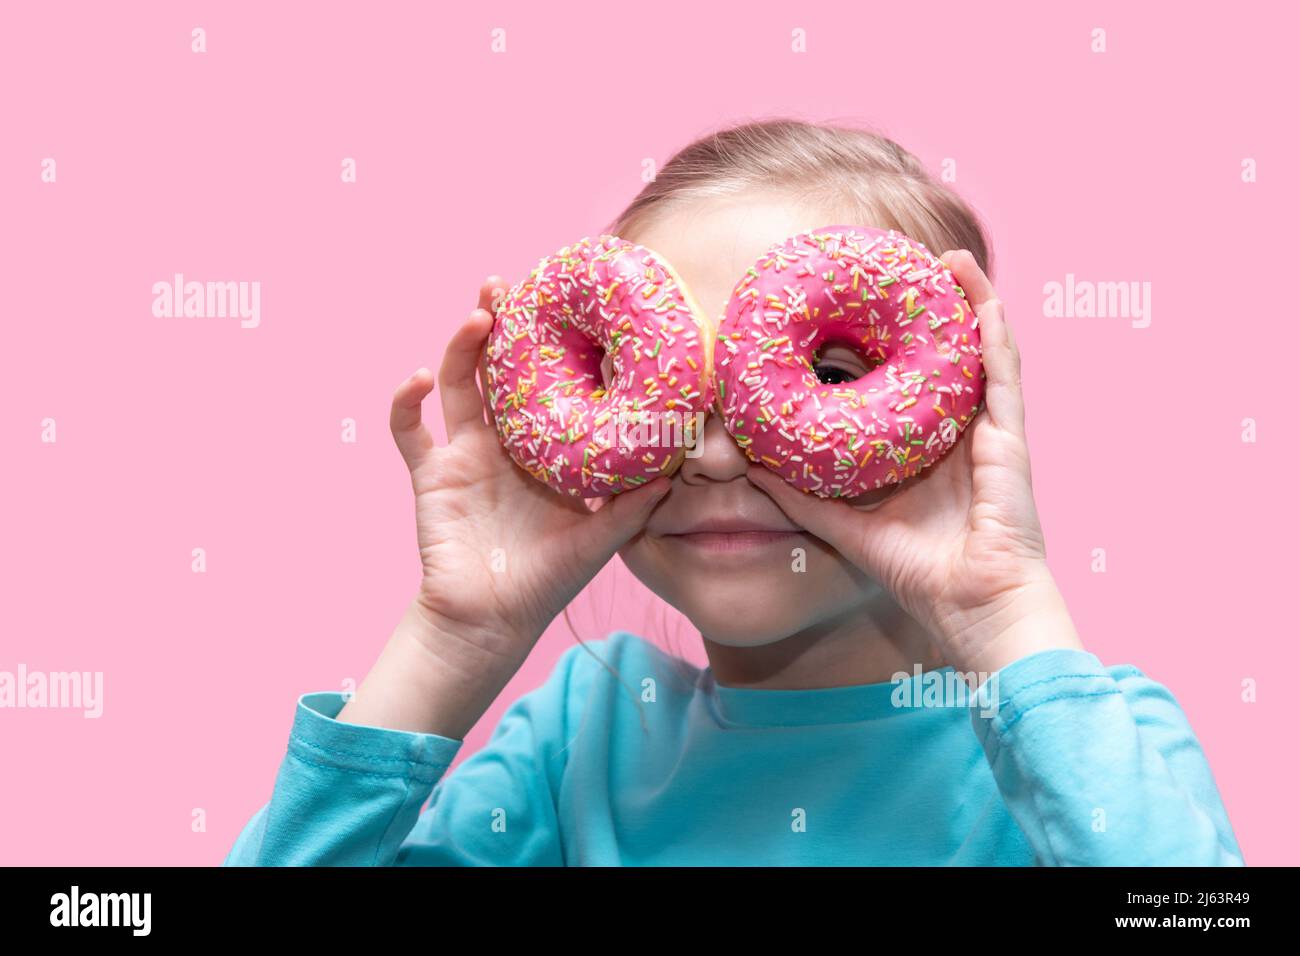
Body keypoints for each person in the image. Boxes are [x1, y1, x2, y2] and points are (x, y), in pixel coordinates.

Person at [223, 119, 1243, 866]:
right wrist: (453, 641)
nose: (710, 453)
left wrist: (1006, 616)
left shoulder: (1088, 737)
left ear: (967, 412)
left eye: (826, 375)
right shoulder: (585, 736)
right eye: (656, 384)